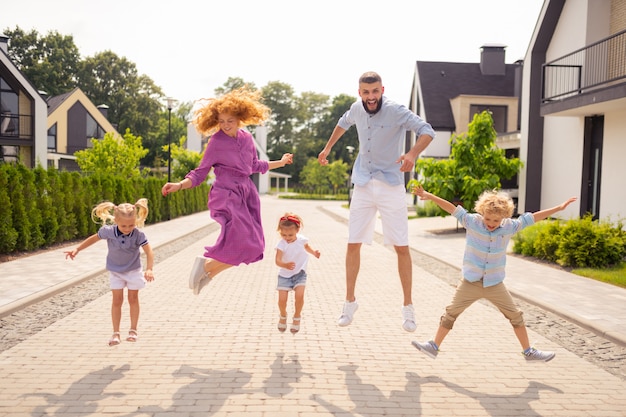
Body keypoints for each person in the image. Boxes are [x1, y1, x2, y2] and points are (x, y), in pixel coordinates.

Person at [318, 71, 435, 332]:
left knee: (401, 247)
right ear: (360, 92)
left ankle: (408, 308)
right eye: (366, 92)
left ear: (382, 90)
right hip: (362, 182)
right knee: (352, 243)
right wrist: (327, 148)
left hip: (391, 184)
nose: (371, 97)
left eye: (375, 92)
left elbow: (427, 131)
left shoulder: (396, 111)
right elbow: (342, 122)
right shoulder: (356, 109)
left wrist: (413, 154)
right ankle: (349, 302)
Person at [410, 185, 577, 361]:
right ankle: (433, 346)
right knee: (451, 313)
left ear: (504, 218)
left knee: (516, 316)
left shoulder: (509, 227)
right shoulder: (472, 222)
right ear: (482, 213)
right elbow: (452, 208)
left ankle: (529, 352)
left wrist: (558, 209)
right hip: (470, 283)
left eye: (495, 221)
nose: (491, 224)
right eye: (488, 219)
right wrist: (429, 195)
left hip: (495, 284)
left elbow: (532, 218)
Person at [161, 86, 293, 295]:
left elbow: (255, 166)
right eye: (221, 121)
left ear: (239, 119)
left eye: (229, 121)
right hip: (226, 194)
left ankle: (207, 271)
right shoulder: (216, 142)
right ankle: (205, 269)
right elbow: (200, 172)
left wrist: (281, 162)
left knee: (254, 247)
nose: (225, 125)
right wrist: (179, 184)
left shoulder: (247, 139)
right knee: (240, 240)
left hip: (246, 194)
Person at [64, 198, 155, 346]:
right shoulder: (108, 231)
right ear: (116, 221)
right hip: (115, 272)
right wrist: (77, 249)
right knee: (117, 301)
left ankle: (133, 330)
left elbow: (149, 252)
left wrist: (149, 269)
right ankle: (116, 333)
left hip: (133, 271)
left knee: (133, 299)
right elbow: (93, 239)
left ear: (136, 221)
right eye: (123, 225)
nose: (127, 228)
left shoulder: (138, 234)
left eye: (131, 225)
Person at [275, 213, 321, 334]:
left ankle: (296, 317)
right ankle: (283, 315)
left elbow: (307, 247)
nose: (287, 237)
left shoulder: (302, 240)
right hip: (284, 275)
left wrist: (314, 253)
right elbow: (277, 261)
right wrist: (285, 265)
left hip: (300, 273)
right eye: (283, 234)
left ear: (297, 230)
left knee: (299, 296)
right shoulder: (281, 244)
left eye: (290, 234)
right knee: (282, 300)